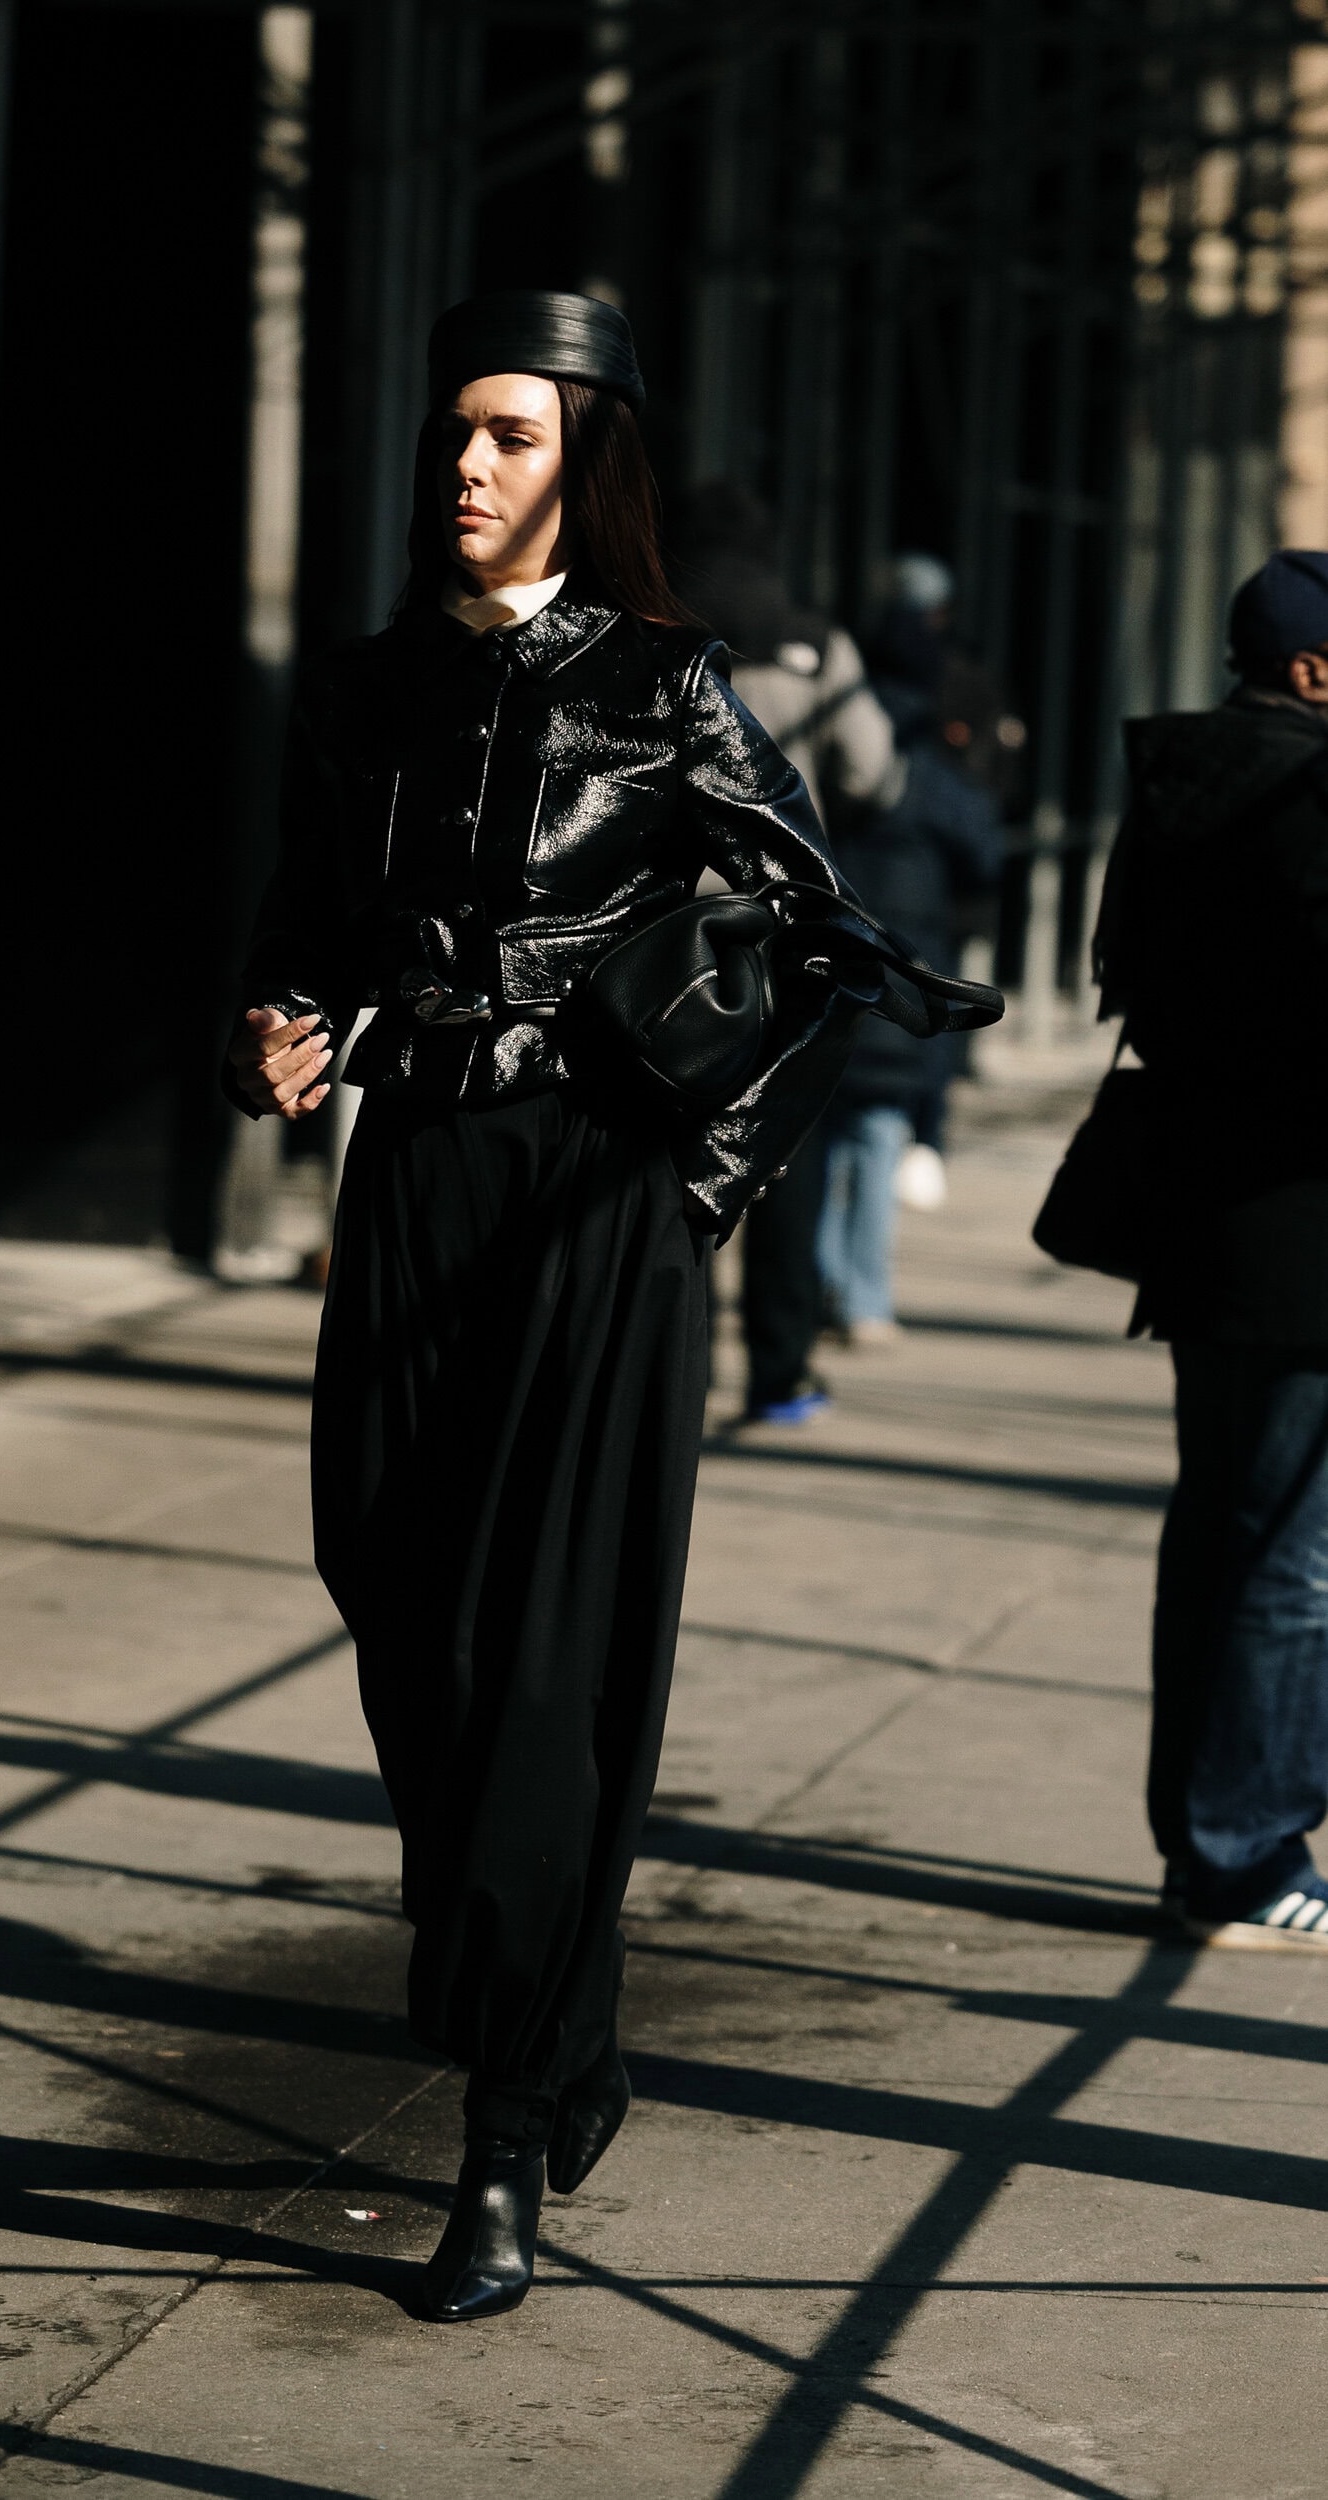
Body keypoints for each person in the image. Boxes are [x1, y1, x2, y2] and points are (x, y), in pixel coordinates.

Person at [224, 291, 858, 2317]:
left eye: (511, 433)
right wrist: (277, 1022)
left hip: (596, 1197)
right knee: (387, 1576)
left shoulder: (669, 681)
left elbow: (820, 940)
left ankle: (501, 2127)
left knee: (540, 1657)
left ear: (590, 460)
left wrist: (701, 1182)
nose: (468, 464)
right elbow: (301, 921)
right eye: (456, 431)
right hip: (417, 1170)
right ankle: (556, 2011)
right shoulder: (360, 687)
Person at [1093, 548, 1328, 1948]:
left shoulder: (1177, 784)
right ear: (1309, 671)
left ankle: (1201, 1840)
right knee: (1292, 1551)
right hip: (1299, 1228)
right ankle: (1244, 1854)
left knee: (1219, 1532)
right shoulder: (1305, 800)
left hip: (1205, 1219)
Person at [673, 485, 904, 1424]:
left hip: (663, 937)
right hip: (784, 927)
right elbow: (872, 770)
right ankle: (780, 1370)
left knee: (664, 1147)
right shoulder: (813, 640)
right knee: (784, 1147)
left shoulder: (649, 627)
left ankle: (671, 1368)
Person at [814, 599, 1004, 1345]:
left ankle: (823, 1280)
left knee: (822, 1131)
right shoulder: (933, 769)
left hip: (829, 958)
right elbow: (982, 851)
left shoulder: (829, 748)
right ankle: (864, 1299)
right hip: (908, 968)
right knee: (878, 1129)